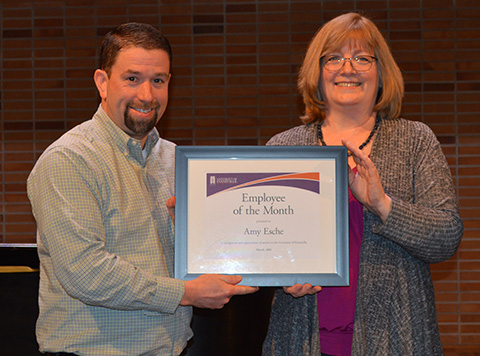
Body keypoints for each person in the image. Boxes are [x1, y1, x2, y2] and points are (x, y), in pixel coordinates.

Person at [27, 22, 258, 356]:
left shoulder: (178, 161)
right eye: (132, 78)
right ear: (102, 83)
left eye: (158, 81)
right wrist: (185, 293)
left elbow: (221, 254)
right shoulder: (69, 161)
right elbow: (85, 271)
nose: (147, 95)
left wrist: (286, 269)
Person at [261, 12, 463, 356]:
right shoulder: (283, 147)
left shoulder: (414, 140)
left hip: (397, 339)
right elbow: (260, 243)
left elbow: (446, 237)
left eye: (362, 58)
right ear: (317, 71)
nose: (348, 68)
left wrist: (383, 204)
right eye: (334, 58)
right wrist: (280, 274)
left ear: (381, 72)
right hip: (300, 339)